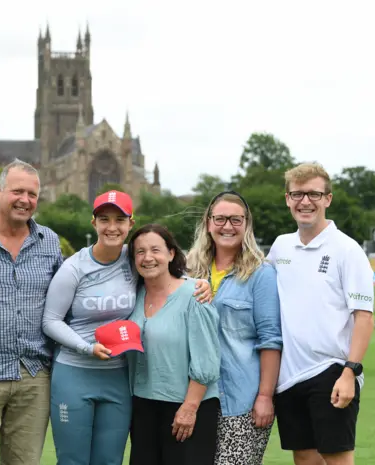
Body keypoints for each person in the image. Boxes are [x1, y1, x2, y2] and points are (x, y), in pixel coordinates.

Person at [42, 191, 212, 465]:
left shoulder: (134, 260)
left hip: (118, 377)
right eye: (104, 219)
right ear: (93, 222)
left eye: (120, 219)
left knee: (110, 460)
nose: (112, 227)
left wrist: (197, 283)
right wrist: (86, 348)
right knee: (73, 460)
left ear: (130, 223)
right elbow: (50, 321)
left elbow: (163, 273)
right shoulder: (74, 268)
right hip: (74, 373)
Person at [267, 163, 375, 465]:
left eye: (314, 194)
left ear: (328, 199)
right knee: (304, 458)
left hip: (331, 371)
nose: (305, 201)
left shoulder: (347, 250)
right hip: (288, 378)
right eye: (297, 194)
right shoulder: (280, 247)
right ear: (287, 199)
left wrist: (349, 372)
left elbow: (364, 317)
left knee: (337, 459)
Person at [0, 159, 63, 465]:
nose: (25, 200)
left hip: (34, 375)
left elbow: (68, 298)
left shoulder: (50, 241)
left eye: (32, 194)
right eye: (18, 191)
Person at [186, 191, 282, 465]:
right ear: (208, 223)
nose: (227, 226)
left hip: (240, 399)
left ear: (247, 224)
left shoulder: (260, 274)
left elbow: (270, 340)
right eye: (220, 219)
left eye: (235, 220)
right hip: (196, 398)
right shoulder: (189, 270)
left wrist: (265, 396)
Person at [126, 224, 221, 465]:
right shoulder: (132, 297)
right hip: (143, 406)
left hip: (187, 407)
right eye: (140, 252)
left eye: (155, 250)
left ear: (171, 254)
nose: (147, 258)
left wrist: (189, 408)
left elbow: (207, 361)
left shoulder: (195, 295)